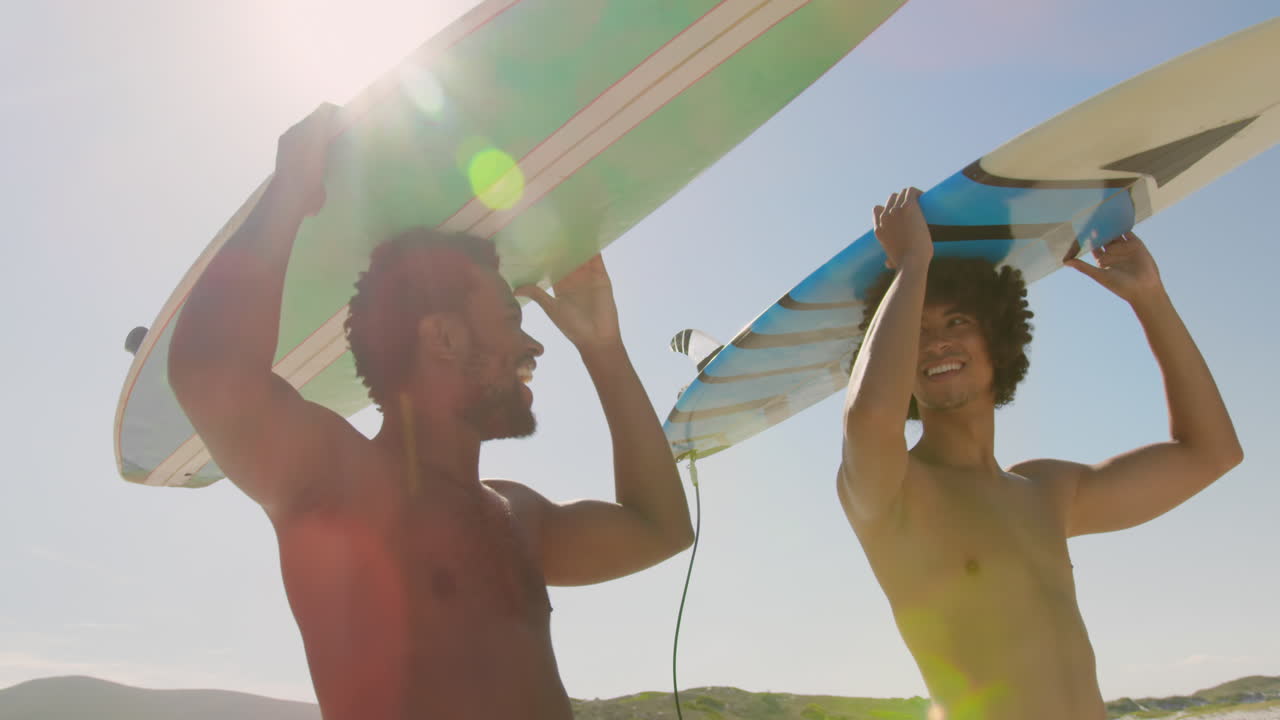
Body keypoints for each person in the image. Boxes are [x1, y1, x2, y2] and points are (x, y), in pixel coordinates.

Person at [168, 104, 693, 720]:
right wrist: (291, 193)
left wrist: (604, 349)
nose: (533, 345)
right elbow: (210, 373)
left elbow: (662, 529)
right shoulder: (339, 481)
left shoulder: (516, 514)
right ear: (442, 338)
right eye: (509, 320)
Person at [837, 187, 1242, 720]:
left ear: (998, 341)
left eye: (957, 322)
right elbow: (869, 418)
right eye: (916, 332)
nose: (935, 343)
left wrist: (1150, 298)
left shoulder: (1046, 492)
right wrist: (913, 263)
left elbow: (1211, 452)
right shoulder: (891, 491)